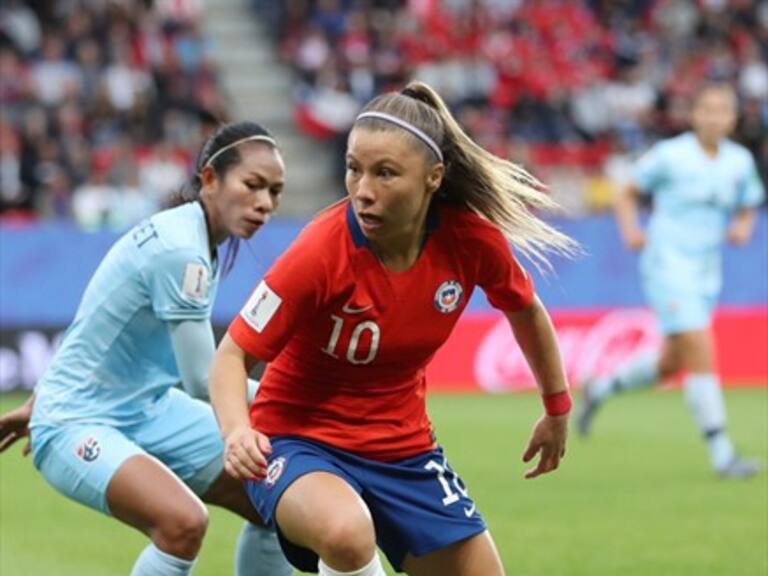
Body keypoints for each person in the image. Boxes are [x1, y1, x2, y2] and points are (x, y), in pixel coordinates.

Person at [209, 81, 577, 576]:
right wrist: (236, 431)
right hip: (298, 440)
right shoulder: (320, 250)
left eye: (385, 173)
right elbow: (232, 354)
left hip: (404, 450)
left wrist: (556, 408)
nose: (363, 190)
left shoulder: (470, 241)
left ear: (433, 178)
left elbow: (526, 310)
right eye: (354, 169)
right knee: (346, 533)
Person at [0, 121, 294, 576]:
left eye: (274, 192)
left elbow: (100, 323)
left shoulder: (196, 237)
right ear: (210, 178)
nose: (264, 204)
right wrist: (301, 402)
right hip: (77, 420)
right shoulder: (181, 250)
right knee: (183, 523)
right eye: (253, 185)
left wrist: (39, 395)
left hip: (145, 408)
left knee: (276, 491)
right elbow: (202, 382)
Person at [577, 83, 765, 479]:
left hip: (706, 272)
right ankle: (722, 454)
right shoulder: (670, 155)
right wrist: (630, 231)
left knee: (671, 362)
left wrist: (744, 225)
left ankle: (601, 388)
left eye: (723, 111)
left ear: (733, 118)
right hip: (666, 264)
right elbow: (625, 191)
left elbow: (750, 201)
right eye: (707, 109)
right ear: (694, 115)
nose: (715, 117)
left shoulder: (739, 161)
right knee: (700, 346)